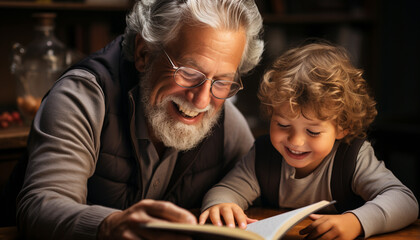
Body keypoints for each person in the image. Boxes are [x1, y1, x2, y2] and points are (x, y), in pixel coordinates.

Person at [13, 0, 264, 239]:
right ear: (144, 53)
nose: (201, 101)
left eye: (221, 81)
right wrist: (108, 225)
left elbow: (267, 180)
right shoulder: (83, 96)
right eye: (188, 73)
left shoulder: (226, 121)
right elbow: (37, 207)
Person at [199, 42, 419, 239]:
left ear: (343, 127)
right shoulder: (263, 154)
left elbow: (404, 201)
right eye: (283, 125)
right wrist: (221, 204)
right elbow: (226, 190)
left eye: (313, 132)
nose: (295, 141)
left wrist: (356, 222)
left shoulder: (353, 157)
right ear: (271, 114)